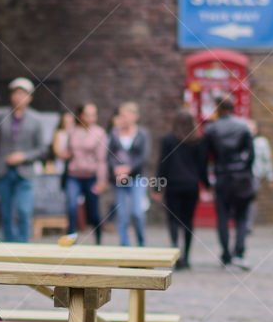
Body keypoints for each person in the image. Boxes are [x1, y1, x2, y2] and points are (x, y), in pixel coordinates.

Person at [0, 77, 49, 243]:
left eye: (23, 94)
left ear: (30, 97)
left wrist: (24, 156)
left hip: (25, 172)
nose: (19, 97)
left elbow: (43, 149)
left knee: (24, 210)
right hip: (3, 170)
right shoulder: (0, 117)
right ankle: (9, 246)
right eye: (16, 93)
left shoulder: (37, 120)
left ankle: (23, 246)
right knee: (6, 213)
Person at [205, 96, 255, 269]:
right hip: (241, 177)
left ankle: (226, 254)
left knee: (223, 218)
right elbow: (251, 154)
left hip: (222, 176)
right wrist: (245, 170)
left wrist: (206, 181)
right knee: (242, 217)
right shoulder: (243, 126)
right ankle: (239, 253)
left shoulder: (211, 129)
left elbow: (206, 157)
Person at [155, 109, 207, 269]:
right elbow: (202, 166)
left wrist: (157, 187)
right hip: (191, 186)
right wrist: (207, 185)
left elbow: (162, 165)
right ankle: (187, 256)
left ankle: (175, 253)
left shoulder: (168, 140)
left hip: (173, 185)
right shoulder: (198, 140)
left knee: (173, 220)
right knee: (188, 221)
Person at [65, 103, 108, 244]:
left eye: (93, 114)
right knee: (71, 206)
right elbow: (68, 152)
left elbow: (102, 159)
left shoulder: (99, 133)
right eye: (88, 114)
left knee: (93, 211)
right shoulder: (72, 132)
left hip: (91, 177)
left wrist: (101, 181)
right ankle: (71, 239)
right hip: (73, 175)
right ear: (81, 115)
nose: (91, 118)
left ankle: (98, 239)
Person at [108, 102, 150, 247]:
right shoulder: (114, 133)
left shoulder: (142, 134)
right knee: (122, 215)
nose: (123, 118)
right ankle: (125, 247)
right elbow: (110, 155)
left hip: (137, 178)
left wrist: (128, 169)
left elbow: (143, 156)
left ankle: (141, 244)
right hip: (119, 180)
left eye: (125, 115)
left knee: (137, 212)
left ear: (134, 116)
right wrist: (116, 169)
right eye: (121, 115)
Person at [247, 119, 273, 234]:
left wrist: (271, 177)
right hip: (242, 175)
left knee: (251, 199)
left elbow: (267, 160)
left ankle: (248, 224)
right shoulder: (242, 140)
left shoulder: (261, 142)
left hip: (255, 175)